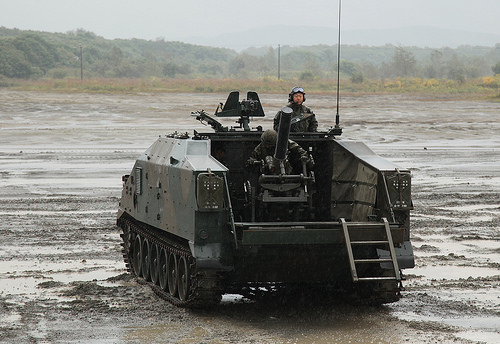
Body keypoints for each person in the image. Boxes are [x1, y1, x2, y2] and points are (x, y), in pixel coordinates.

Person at [246, 129, 313, 175]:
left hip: (285, 168)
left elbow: (298, 149)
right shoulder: (260, 147)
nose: (268, 147)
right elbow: (252, 158)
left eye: (270, 145)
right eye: (266, 145)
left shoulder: (285, 142)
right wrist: (253, 162)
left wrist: (304, 156)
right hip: (267, 171)